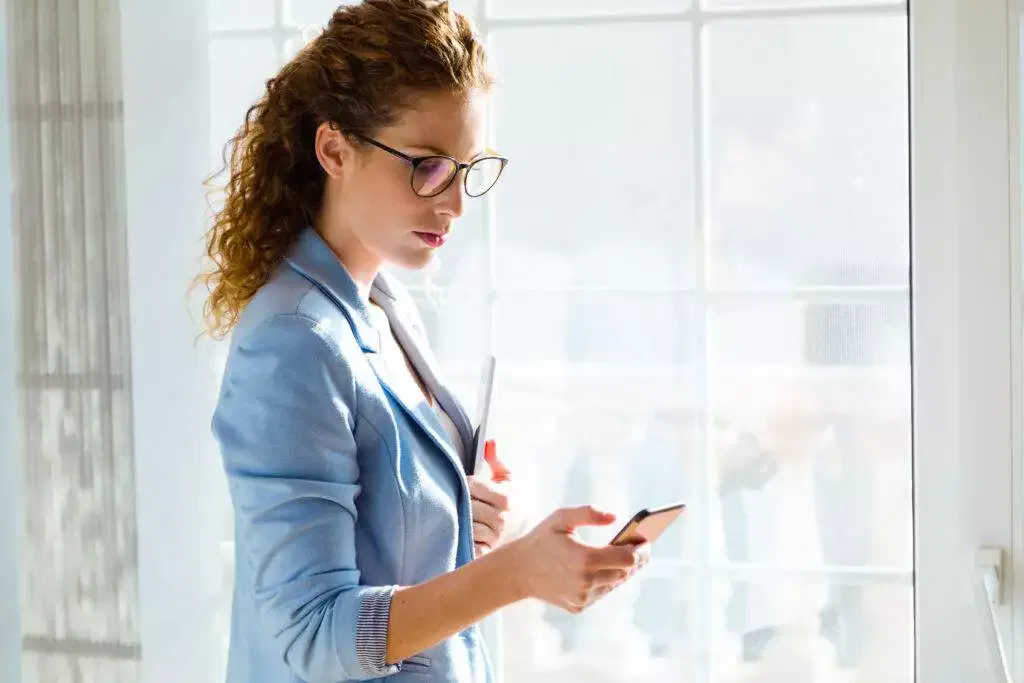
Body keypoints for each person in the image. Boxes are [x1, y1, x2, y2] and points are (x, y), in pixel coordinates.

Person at [197, 2, 650, 682]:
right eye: (428, 167)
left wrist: (459, 512)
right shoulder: (292, 343)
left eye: (468, 168)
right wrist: (515, 573)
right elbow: (313, 634)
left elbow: (389, 528)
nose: (455, 202)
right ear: (334, 150)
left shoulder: (382, 301)